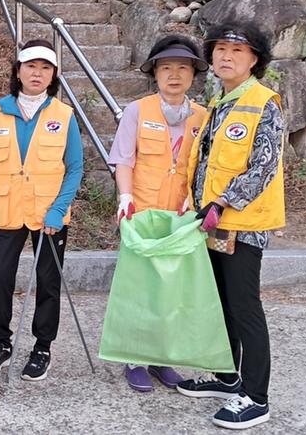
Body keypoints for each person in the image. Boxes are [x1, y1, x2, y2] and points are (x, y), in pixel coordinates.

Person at [176, 23, 284, 430]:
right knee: (219, 302)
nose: (225, 56)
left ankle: (256, 397)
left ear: (255, 59)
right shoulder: (220, 101)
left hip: (243, 224)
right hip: (213, 224)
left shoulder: (263, 102)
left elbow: (263, 167)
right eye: (220, 49)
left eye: (237, 51)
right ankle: (226, 376)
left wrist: (221, 202)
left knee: (244, 307)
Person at [0, 40, 83, 381]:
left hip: (49, 214)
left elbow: (75, 167)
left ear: (53, 75)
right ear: (17, 70)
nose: (37, 73)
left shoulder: (63, 115)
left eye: (45, 68)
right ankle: (0, 343)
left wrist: (59, 209)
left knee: (48, 282)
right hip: (7, 208)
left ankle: (42, 348)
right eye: (30, 66)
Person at [107, 34, 208, 392]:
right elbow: (122, 158)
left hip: (180, 217)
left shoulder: (202, 117)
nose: (174, 75)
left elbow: (206, 167)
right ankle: (135, 358)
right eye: (167, 68)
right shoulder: (138, 110)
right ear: (156, 74)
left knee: (172, 289)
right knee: (141, 287)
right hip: (143, 212)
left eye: (182, 68)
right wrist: (125, 198)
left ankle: (163, 358)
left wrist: (195, 202)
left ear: (193, 75)